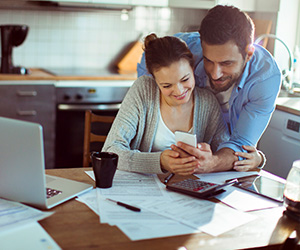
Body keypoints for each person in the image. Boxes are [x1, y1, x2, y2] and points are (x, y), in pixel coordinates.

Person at [137, 5, 281, 172]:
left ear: (248, 54)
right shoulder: (188, 50)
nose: (215, 74)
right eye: (208, 60)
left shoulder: (265, 79)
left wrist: (213, 162)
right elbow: (148, 63)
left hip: (214, 164)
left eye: (226, 63)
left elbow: (242, 145)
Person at [102, 33, 229, 175]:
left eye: (185, 79)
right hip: (145, 191)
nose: (179, 91)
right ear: (155, 80)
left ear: (192, 68)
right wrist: (159, 161)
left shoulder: (207, 102)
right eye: (167, 86)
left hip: (189, 190)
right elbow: (110, 150)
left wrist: (211, 159)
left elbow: (226, 150)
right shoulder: (144, 90)